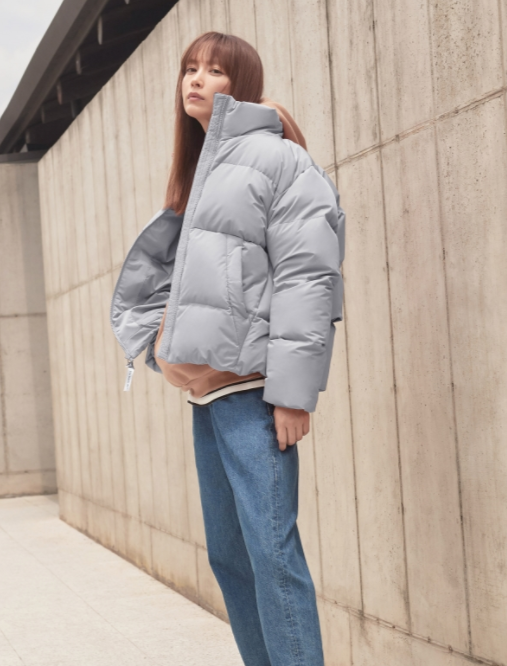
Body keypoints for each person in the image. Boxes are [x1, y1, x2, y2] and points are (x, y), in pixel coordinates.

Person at [111, 30, 345, 666]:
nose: (195, 79)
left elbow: (307, 276)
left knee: (272, 556)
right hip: (209, 397)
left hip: (254, 394)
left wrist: (293, 395)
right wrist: (161, 339)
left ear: (240, 85)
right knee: (230, 558)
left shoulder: (276, 159)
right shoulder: (200, 171)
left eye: (214, 70)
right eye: (190, 68)